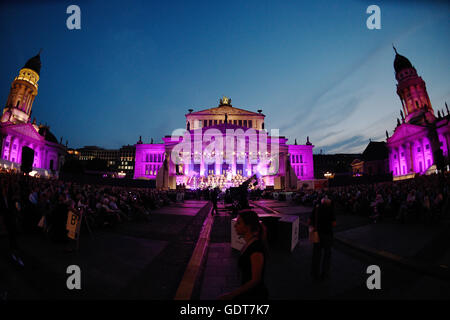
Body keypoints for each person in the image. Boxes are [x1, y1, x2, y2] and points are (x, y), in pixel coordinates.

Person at [220, 210, 268, 300]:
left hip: (255, 295)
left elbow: (255, 280)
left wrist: (232, 295)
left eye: (238, 223)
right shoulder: (248, 243)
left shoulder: (256, 249)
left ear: (247, 227)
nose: (235, 225)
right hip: (248, 292)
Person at [309, 195, 336, 280]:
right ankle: (325, 273)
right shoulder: (330, 209)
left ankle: (314, 273)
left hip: (317, 234)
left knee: (316, 254)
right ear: (329, 203)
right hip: (327, 234)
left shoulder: (316, 209)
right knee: (327, 254)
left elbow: (309, 221)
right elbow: (334, 223)